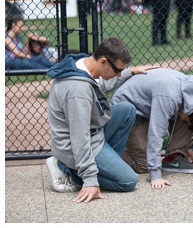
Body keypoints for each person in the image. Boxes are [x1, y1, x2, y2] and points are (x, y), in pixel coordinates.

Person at [44, 37, 157, 202]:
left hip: (93, 134)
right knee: (128, 181)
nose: (118, 74)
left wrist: (130, 71)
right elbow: (79, 136)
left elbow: (101, 85)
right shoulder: (78, 90)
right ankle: (66, 168)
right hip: (75, 145)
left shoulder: (83, 66)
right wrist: (90, 179)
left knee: (127, 110)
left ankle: (104, 163)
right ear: (104, 61)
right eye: (117, 70)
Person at [111, 68, 193, 189]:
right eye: (187, 118)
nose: (184, 120)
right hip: (129, 115)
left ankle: (173, 158)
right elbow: (156, 133)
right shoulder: (169, 97)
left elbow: (180, 116)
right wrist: (156, 174)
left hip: (145, 108)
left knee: (184, 117)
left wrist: (181, 148)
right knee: (144, 166)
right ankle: (108, 150)